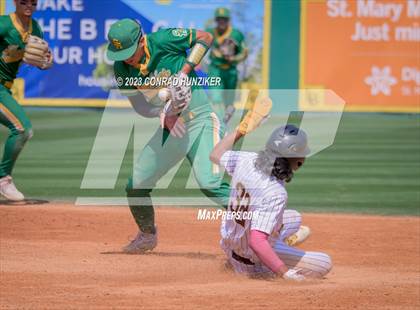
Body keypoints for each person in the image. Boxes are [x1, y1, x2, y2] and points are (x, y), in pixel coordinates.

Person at [106, 19, 232, 253]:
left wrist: (184, 72)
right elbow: (140, 106)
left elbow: (205, 37)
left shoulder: (163, 40)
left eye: (129, 52)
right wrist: (162, 113)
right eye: (120, 53)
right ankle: (147, 235)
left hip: (201, 118)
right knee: (136, 185)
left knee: (209, 184)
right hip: (171, 128)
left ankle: (267, 222)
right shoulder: (122, 68)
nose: (126, 59)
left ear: (141, 41)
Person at [210, 101, 332, 280]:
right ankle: (275, 257)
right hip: (250, 261)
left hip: (229, 244)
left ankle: (281, 246)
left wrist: (241, 130)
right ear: (294, 158)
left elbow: (215, 154)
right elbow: (257, 241)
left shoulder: (248, 159)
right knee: (324, 262)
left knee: (294, 217)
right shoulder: (275, 192)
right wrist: (285, 273)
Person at [0, 0, 53, 201]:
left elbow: (38, 58)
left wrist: (45, 61)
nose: (28, 5)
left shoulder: (36, 28)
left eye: (33, 2)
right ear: (15, 2)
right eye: (23, 1)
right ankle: (3, 179)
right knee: (22, 129)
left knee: (22, 131)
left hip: (5, 88)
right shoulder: (4, 24)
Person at [206, 7, 248, 124]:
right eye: (219, 19)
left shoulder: (236, 34)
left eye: (224, 19)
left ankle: (226, 120)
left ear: (228, 20)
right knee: (216, 98)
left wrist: (233, 58)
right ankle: (219, 124)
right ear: (216, 20)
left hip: (231, 71)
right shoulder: (210, 32)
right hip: (215, 69)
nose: (222, 22)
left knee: (229, 104)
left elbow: (244, 53)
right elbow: (201, 46)